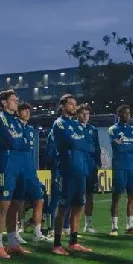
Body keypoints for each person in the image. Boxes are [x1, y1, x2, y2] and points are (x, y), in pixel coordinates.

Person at [0, 90, 37, 258]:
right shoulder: (0, 120)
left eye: (17, 100)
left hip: (20, 168)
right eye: (13, 100)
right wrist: (19, 143)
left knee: (16, 206)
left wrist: (19, 142)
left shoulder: (17, 122)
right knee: (3, 206)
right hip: (6, 167)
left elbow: (25, 143)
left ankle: (12, 243)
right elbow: (13, 142)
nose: (16, 103)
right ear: (4, 102)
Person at [50, 94, 95, 255]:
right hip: (67, 171)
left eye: (75, 104)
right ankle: (56, 244)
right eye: (71, 104)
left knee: (79, 207)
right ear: (62, 106)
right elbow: (71, 142)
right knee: (63, 208)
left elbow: (90, 145)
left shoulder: (79, 125)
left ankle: (73, 242)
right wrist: (79, 143)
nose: (74, 107)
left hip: (81, 171)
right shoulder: (59, 124)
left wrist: (79, 143)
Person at [108, 104, 133, 236]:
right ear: (118, 115)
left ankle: (130, 226)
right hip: (120, 167)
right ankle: (114, 227)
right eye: (124, 113)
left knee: (132, 196)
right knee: (116, 196)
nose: (127, 115)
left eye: (128, 113)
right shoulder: (113, 129)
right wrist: (131, 147)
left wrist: (126, 146)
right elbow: (117, 147)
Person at [16, 103, 48, 242]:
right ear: (18, 113)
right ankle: (16, 231)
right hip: (17, 170)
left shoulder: (30, 129)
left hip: (30, 170)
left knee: (39, 199)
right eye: (24, 110)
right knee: (17, 203)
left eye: (29, 110)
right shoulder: (14, 127)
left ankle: (37, 233)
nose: (28, 113)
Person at [79, 104, 101, 233]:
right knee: (75, 195)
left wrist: (98, 163)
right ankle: (68, 226)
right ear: (78, 115)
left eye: (87, 114)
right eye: (82, 113)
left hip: (90, 166)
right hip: (78, 165)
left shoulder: (93, 129)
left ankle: (88, 225)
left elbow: (97, 147)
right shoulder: (74, 128)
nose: (85, 116)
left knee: (89, 195)